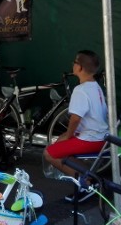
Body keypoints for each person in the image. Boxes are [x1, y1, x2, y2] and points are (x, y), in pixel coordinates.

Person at [42, 50, 109, 202]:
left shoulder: (80, 90)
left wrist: (69, 135)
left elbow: (75, 119)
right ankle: (90, 178)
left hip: (90, 140)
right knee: (61, 141)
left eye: (75, 62)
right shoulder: (96, 87)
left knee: (50, 153)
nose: (72, 64)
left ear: (79, 68)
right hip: (102, 138)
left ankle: (88, 183)